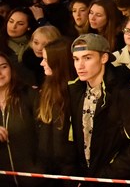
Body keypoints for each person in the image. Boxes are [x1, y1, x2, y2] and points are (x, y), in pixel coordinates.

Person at [69, 33, 130, 180]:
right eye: (76, 59)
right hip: (90, 178)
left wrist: (109, 174)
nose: (80, 65)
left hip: (119, 179)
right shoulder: (76, 92)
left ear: (104, 58)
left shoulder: (127, 95)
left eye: (87, 58)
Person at [0, 51, 43, 186]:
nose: (0, 73)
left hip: (34, 177)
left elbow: (45, 136)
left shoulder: (29, 94)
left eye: (4, 66)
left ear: (11, 68)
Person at [37, 38, 76, 181]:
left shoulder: (76, 93)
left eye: (46, 59)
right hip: (47, 170)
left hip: (71, 173)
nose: (41, 63)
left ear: (58, 62)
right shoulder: (47, 90)